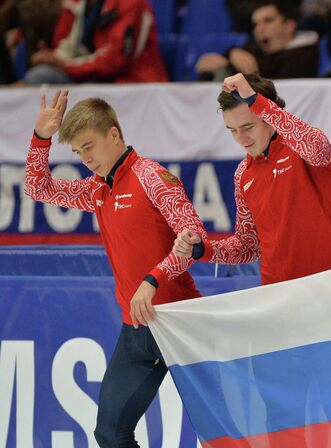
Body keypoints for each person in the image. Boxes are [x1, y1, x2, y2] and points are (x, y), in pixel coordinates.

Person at [24, 91, 207, 446]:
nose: (86, 158)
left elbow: (194, 237)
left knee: (224, 430)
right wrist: (40, 138)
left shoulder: (152, 177)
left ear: (114, 134)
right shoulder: (97, 190)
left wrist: (153, 278)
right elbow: (37, 187)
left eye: (89, 146)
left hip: (180, 322)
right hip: (137, 327)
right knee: (109, 433)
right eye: (78, 152)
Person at [174, 73, 331, 285]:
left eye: (248, 127)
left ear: (269, 115)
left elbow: (314, 144)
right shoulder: (242, 174)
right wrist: (203, 249)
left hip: (330, 286)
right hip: (276, 295)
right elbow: (248, 246)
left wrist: (255, 101)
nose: (241, 138)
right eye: (232, 130)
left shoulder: (303, 148)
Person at [23, 0, 168, 84]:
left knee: (39, 77)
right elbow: (62, 42)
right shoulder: (78, 4)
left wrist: (65, 65)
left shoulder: (131, 4)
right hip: (91, 78)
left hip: (130, 82)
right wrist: (52, 58)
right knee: (40, 74)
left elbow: (116, 61)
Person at [196, 1, 319, 80]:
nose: (259, 29)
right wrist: (228, 56)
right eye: (255, 24)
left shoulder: (306, 53)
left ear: (289, 26)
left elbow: (275, 86)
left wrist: (227, 66)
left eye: (268, 21)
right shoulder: (254, 49)